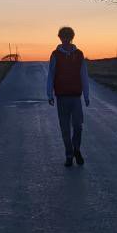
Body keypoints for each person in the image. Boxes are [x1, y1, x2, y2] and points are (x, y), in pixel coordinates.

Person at [46, 26, 90, 167]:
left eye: (68, 37)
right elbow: (51, 75)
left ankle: (77, 149)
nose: (65, 40)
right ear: (60, 38)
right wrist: (49, 94)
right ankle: (69, 154)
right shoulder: (55, 54)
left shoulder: (79, 54)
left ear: (71, 38)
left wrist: (86, 95)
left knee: (78, 126)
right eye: (63, 37)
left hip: (76, 97)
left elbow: (84, 75)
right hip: (61, 97)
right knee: (65, 128)